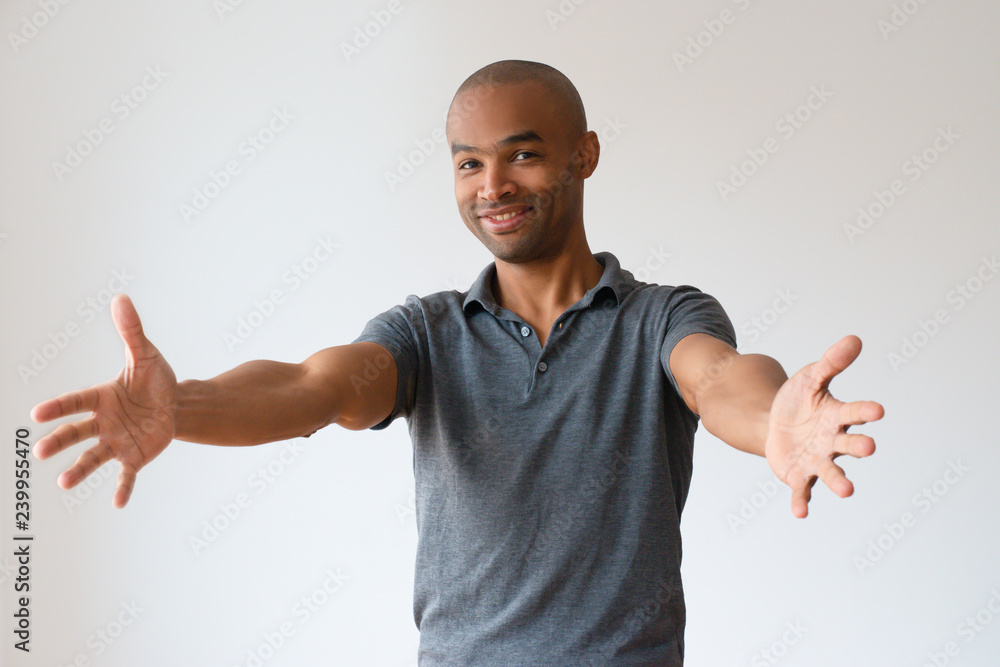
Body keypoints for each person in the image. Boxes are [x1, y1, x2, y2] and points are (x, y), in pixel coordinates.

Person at [31, 60, 884, 666]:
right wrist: (183, 406)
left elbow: (720, 378)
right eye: (469, 162)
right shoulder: (426, 333)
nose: (492, 185)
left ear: (584, 154)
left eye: (522, 154)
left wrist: (773, 418)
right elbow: (312, 386)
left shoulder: (661, 316)